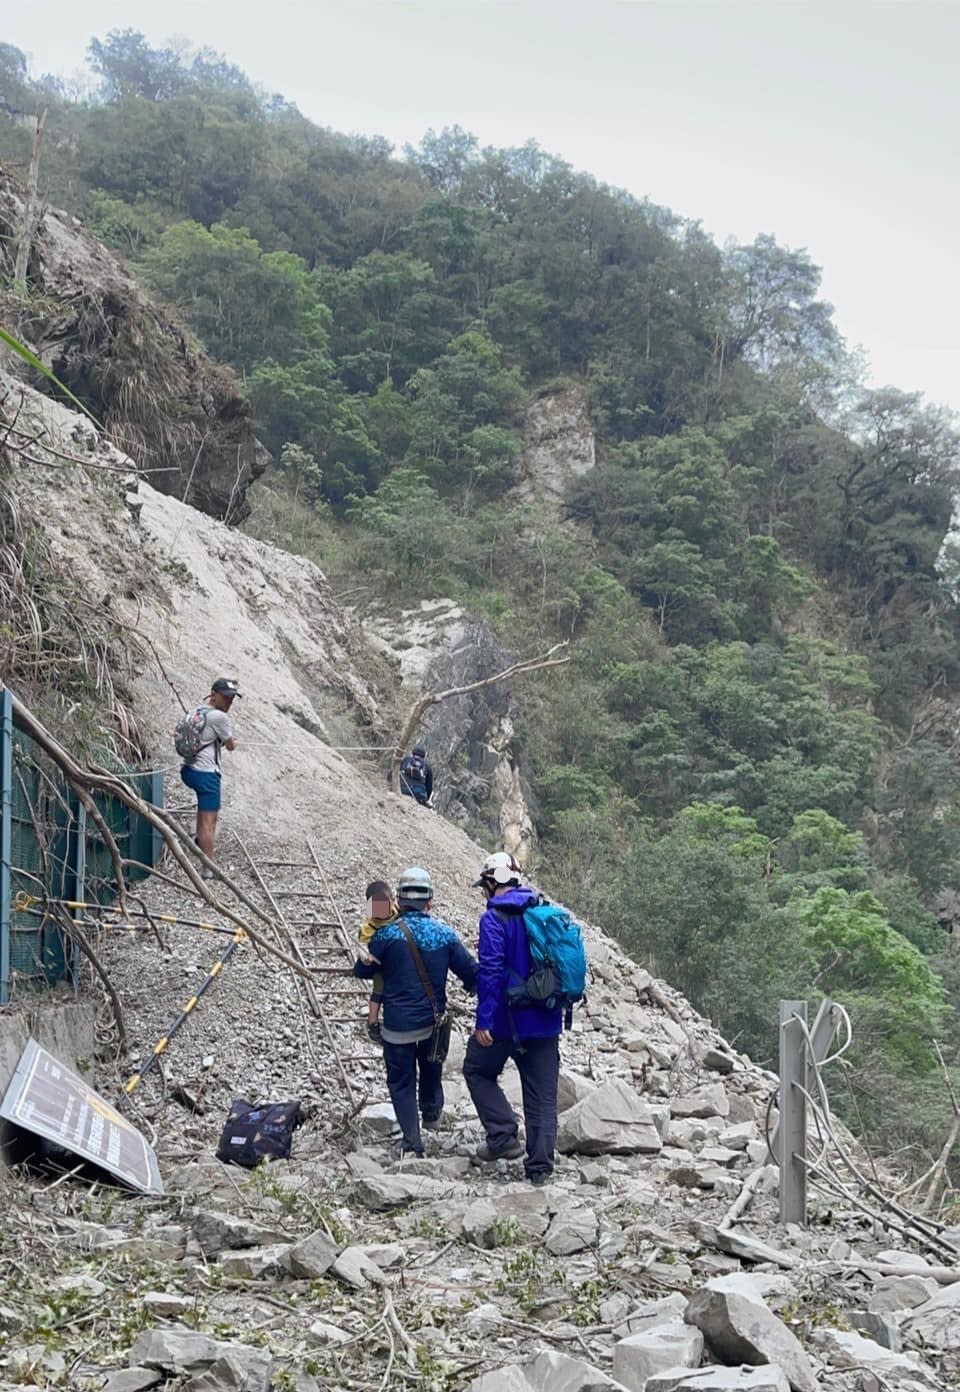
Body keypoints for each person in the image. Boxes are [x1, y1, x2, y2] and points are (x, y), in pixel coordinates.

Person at [354, 866, 477, 1157]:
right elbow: (472, 975)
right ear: (430, 901)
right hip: (433, 1023)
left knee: (401, 1080)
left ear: (398, 898)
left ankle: (412, 1142)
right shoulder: (445, 935)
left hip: (397, 1026)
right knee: (432, 1068)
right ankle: (432, 1116)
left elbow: (363, 970)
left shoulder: (384, 936)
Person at [464, 851, 561, 1187]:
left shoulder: (494, 919)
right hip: (546, 1019)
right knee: (543, 1096)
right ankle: (540, 1171)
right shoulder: (542, 910)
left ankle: (504, 1135)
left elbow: (490, 973)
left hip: (507, 1021)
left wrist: (484, 1022)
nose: (483, 892)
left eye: (485, 885)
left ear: (494, 882)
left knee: (477, 1069)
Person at [178, 678, 240, 873]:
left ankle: (199, 841)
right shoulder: (220, 718)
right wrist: (232, 742)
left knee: (203, 813)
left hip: (188, 770)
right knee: (209, 820)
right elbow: (230, 746)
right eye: (226, 697)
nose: (229, 702)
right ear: (214, 694)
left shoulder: (197, 711)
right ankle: (208, 868)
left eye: (232, 698)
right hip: (206, 775)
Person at [358, 879, 397, 1043]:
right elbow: (361, 945)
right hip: (380, 962)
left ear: (392, 900)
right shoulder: (369, 925)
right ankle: (372, 1022)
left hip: (397, 958)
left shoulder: (398, 912)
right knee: (378, 991)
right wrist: (365, 957)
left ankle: (392, 1020)